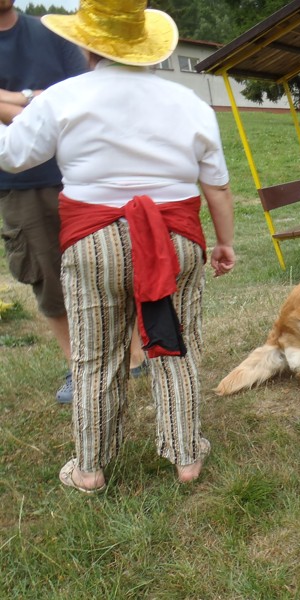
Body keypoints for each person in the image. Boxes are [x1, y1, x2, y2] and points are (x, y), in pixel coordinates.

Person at [0, 0, 236, 492]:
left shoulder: (62, 97)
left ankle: (90, 467)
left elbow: (14, 156)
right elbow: (216, 185)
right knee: (176, 346)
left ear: (88, 45)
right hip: (176, 238)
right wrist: (225, 242)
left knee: (94, 356)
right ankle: (187, 456)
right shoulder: (189, 102)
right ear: (146, 46)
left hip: (91, 242)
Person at [0, 0, 87, 403]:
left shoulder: (51, 33)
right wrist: (36, 99)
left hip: (80, 171)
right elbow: (50, 105)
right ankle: (77, 368)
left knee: (107, 265)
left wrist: (11, 100)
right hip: (20, 182)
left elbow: (82, 92)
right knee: (47, 277)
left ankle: (134, 353)